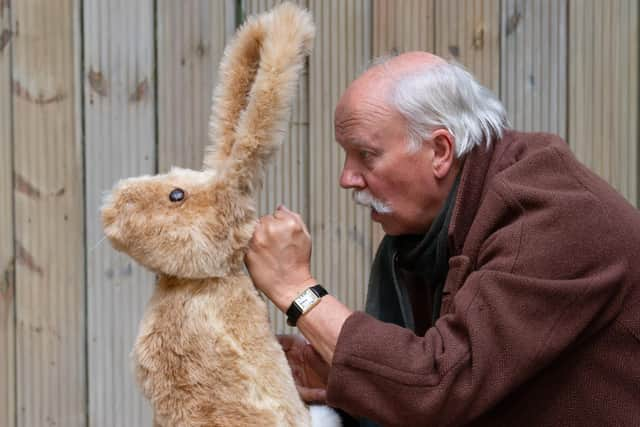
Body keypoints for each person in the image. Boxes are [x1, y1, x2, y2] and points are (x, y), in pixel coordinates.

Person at [244, 52, 640, 427]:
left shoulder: (552, 217)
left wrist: (298, 290)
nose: (346, 178)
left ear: (440, 150)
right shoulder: (427, 234)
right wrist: (341, 372)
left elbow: (441, 384)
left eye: (365, 155)